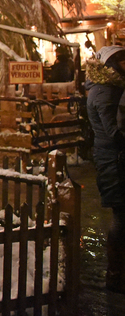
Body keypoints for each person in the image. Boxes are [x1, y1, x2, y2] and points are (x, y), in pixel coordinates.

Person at [86, 45, 125, 293]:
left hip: (112, 157)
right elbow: (113, 131)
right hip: (113, 159)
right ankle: (114, 273)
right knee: (121, 213)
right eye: (121, 61)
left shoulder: (106, 88)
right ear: (110, 65)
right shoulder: (105, 91)